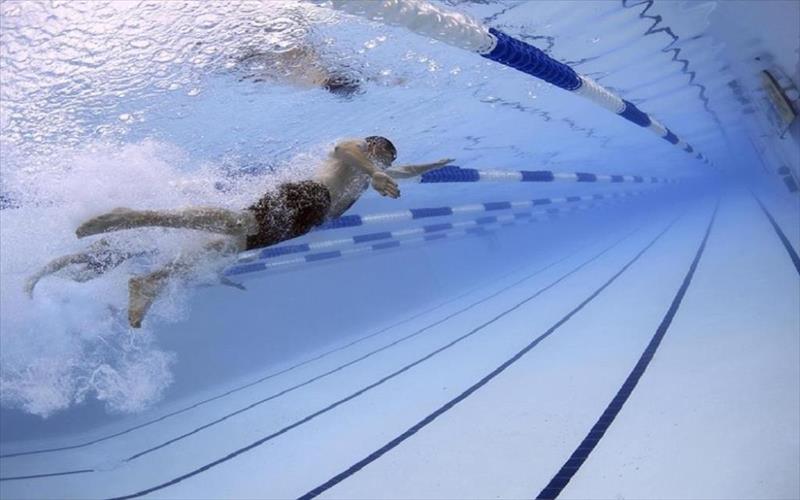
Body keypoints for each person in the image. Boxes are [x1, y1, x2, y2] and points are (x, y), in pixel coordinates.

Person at [73, 137, 453, 328]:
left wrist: (434, 165)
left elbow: (406, 171)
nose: (387, 164)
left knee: (226, 247)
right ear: (374, 147)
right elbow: (344, 148)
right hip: (306, 197)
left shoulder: (372, 172)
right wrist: (375, 171)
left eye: (387, 161)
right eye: (384, 157)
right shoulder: (358, 155)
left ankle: (152, 281)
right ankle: (134, 217)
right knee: (237, 224)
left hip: (304, 220)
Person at [24, 239, 154, 298]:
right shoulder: (147, 229)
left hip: (117, 257)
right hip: (107, 246)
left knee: (81, 279)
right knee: (74, 259)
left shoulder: (156, 241)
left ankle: (52, 274)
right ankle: (35, 277)